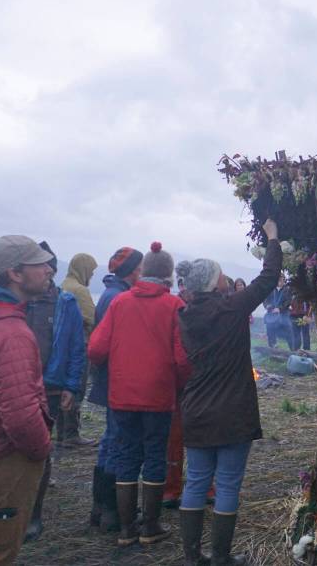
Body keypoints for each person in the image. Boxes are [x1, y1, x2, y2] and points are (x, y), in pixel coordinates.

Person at [176, 218, 282, 566]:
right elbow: (268, 279)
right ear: (214, 282)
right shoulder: (231, 308)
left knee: (195, 481)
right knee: (228, 484)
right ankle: (220, 556)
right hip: (233, 410)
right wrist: (273, 239)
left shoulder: (186, 316)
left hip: (197, 409)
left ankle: (192, 557)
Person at [88, 242, 191, 548]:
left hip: (121, 396)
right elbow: (183, 358)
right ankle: (151, 526)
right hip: (158, 395)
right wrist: (180, 384)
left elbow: (95, 349)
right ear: (168, 275)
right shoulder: (174, 306)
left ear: (143, 271)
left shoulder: (119, 303)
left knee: (126, 456)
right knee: (155, 457)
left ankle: (126, 530)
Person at [0, 235, 55, 565]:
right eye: (38, 264)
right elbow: (21, 416)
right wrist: (41, 450)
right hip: (2, 461)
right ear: (15, 273)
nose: (48, 269)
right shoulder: (9, 332)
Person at [23, 242, 87, 542]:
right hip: (15, 383)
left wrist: (71, 386)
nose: (48, 273)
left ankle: (33, 513)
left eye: (50, 268)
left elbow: (76, 348)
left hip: (49, 385)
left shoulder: (66, 303)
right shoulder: (18, 302)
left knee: (41, 450)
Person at [88, 245, 143, 532]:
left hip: (109, 377)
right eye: (140, 267)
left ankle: (101, 508)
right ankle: (111, 509)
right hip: (117, 379)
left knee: (110, 439)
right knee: (118, 441)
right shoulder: (119, 298)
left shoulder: (109, 293)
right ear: (133, 270)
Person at [59, 252, 99, 447]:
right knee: (77, 388)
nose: (91, 276)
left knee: (63, 387)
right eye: (90, 272)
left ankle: (61, 433)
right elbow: (92, 318)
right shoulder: (79, 290)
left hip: (62, 346)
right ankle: (71, 434)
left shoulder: (63, 285)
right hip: (80, 344)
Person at [263, 276, 294, 349]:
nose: (280, 281)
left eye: (281, 279)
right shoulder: (270, 289)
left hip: (284, 314)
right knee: (270, 331)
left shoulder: (287, 290)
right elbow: (265, 300)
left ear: (284, 280)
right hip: (271, 314)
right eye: (278, 279)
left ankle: (292, 350)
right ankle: (272, 348)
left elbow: (288, 301)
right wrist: (267, 306)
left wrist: (280, 309)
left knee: (289, 332)